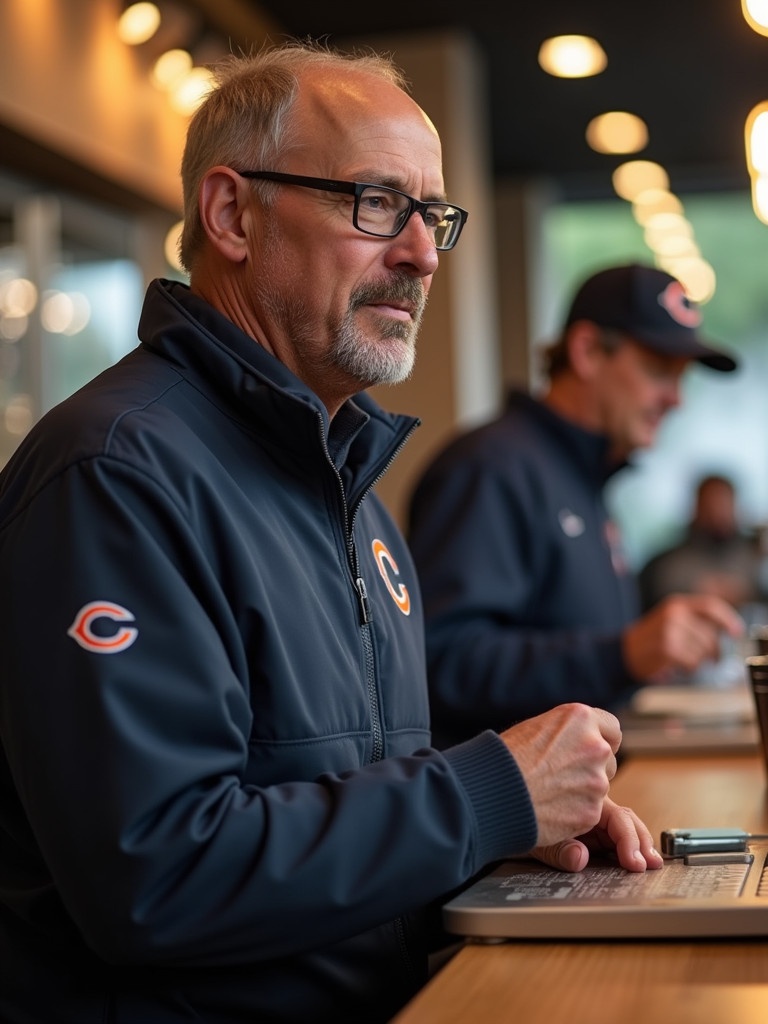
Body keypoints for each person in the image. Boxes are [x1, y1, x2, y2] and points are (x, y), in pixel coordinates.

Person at [0, 43, 662, 1024]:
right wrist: (484, 793)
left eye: (432, 215)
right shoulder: (115, 473)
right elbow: (158, 875)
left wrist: (502, 827)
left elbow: (326, 807)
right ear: (232, 214)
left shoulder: (352, 489)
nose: (423, 253)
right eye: (375, 203)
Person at [408, 262, 745, 748]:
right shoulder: (490, 469)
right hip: (511, 814)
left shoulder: (585, 477)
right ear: (587, 351)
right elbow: (442, 660)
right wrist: (623, 654)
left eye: (682, 378)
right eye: (658, 370)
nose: (676, 400)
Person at [639, 473, 768, 611]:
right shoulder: (664, 564)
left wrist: (746, 594)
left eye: (723, 503)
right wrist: (694, 593)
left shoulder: (757, 556)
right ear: (696, 506)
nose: (717, 512)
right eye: (711, 503)